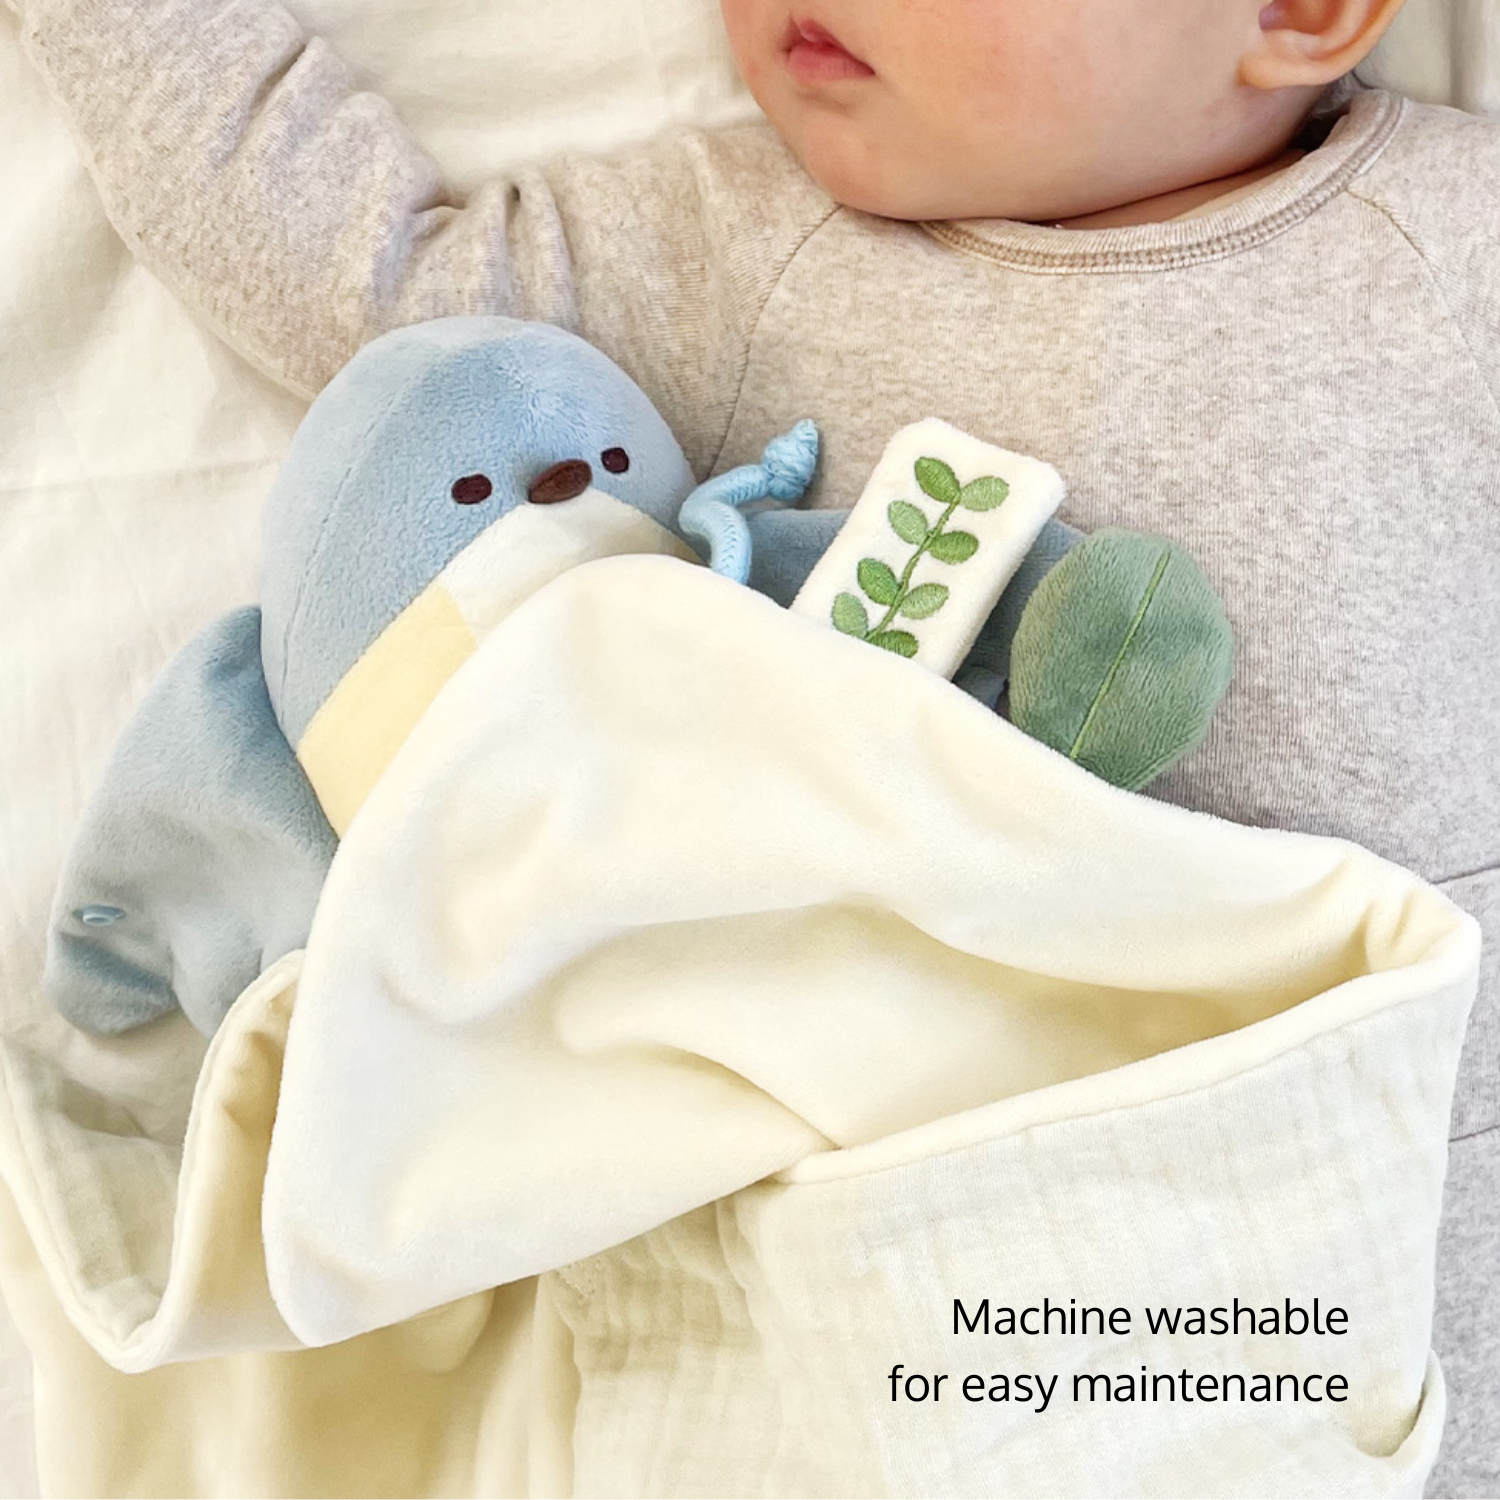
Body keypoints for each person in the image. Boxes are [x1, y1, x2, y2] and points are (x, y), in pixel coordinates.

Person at [5, 0, 1497, 1488]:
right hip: (923, 1262)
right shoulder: (731, 248)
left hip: (1394, 1214)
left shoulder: (1456, 247)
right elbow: (343, 271)